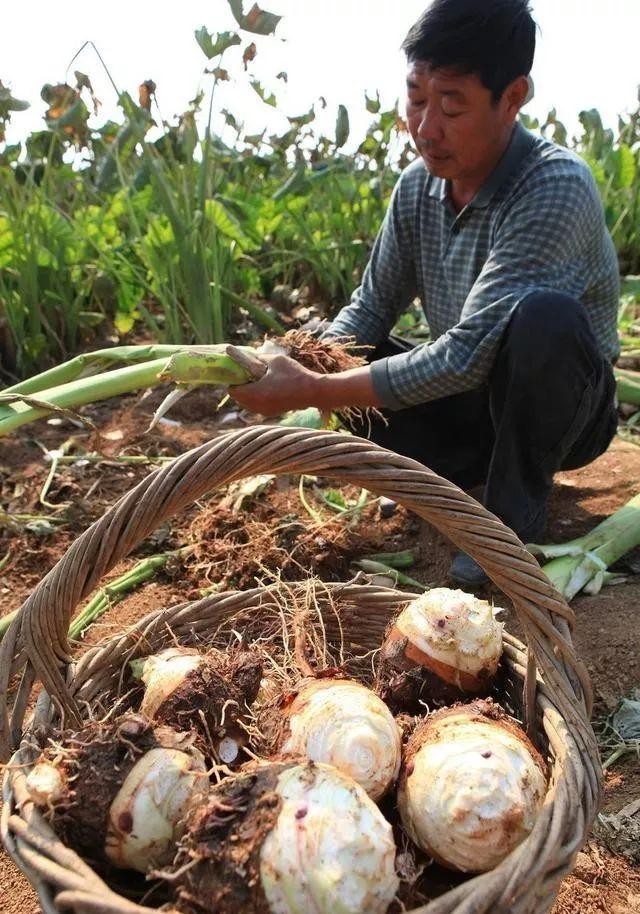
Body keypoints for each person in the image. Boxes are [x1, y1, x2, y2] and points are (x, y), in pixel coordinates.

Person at [231, 0, 620, 587]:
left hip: (563, 412)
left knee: (544, 318)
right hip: (467, 407)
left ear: (512, 98)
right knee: (344, 353)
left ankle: (511, 518)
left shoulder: (554, 186)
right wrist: (301, 356)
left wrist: (313, 389)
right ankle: (466, 474)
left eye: (452, 105)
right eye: (416, 99)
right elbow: (367, 310)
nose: (425, 127)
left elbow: (466, 354)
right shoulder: (417, 189)